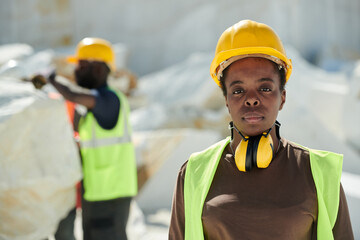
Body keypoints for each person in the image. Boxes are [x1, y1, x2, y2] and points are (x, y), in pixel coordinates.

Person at [168, 20, 354, 239]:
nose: (252, 100)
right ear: (226, 100)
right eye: (238, 91)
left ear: (282, 98)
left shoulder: (319, 174)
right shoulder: (193, 173)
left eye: (265, 88)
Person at [48, 37, 138, 240]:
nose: (76, 70)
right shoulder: (97, 103)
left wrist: (52, 79)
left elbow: (74, 95)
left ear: (97, 68)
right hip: (98, 193)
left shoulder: (109, 99)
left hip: (110, 194)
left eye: (80, 64)